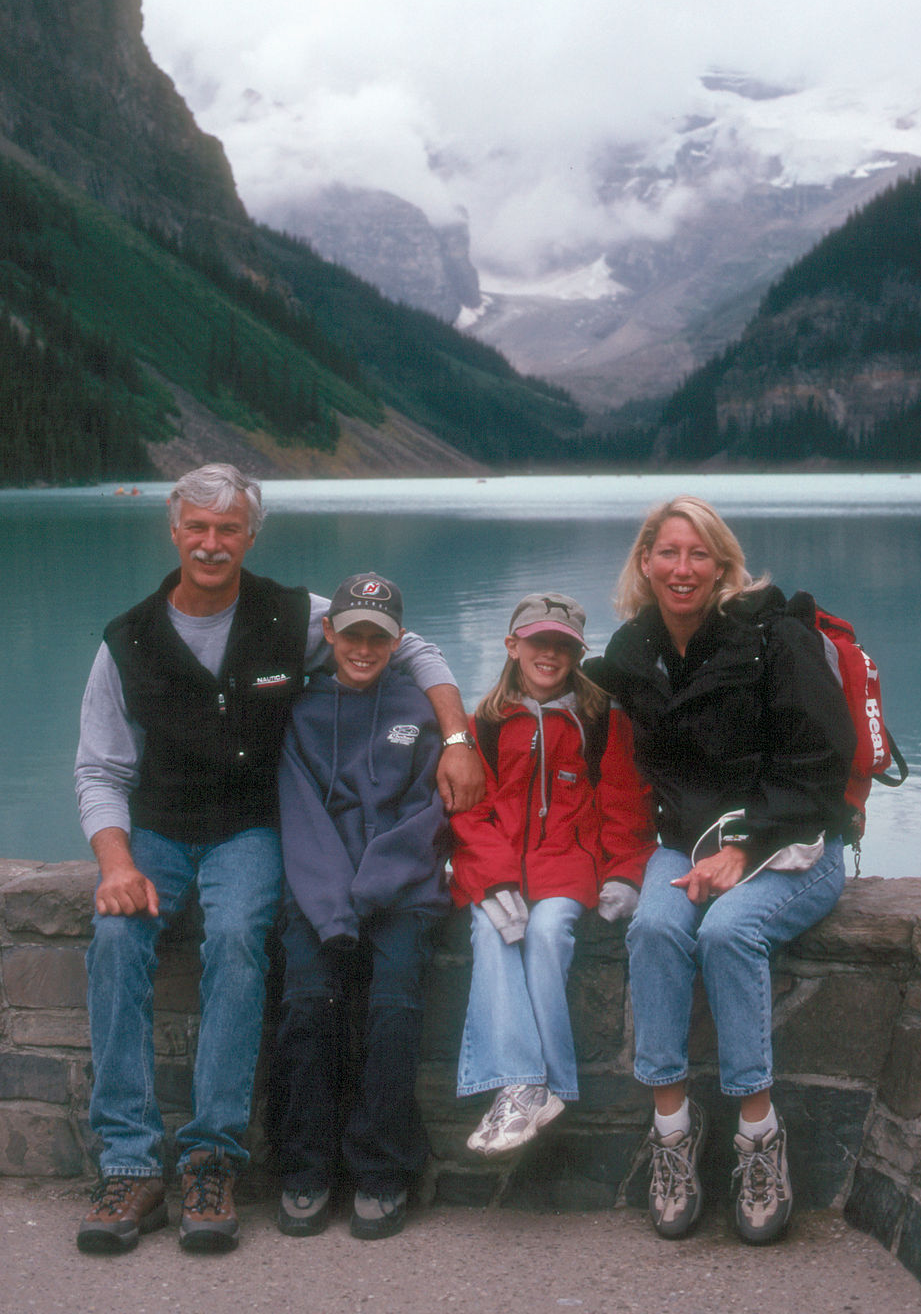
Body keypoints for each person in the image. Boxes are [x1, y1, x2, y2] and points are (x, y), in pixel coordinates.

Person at [74, 464, 483, 1254]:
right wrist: (116, 863)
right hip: (154, 831)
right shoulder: (126, 639)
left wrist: (458, 738)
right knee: (116, 941)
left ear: (251, 537)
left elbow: (412, 644)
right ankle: (129, 1165)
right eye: (197, 526)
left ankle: (210, 1158)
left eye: (229, 529)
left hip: (249, 830)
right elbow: (100, 771)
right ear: (174, 531)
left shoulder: (296, 615)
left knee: (235, 940)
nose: (212, 543)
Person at [584, 496, 855, 1245]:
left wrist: (748, 847)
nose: (682, 568)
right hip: (690, 842)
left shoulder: (775, 639)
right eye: (668, 553)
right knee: (656, 927)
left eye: (699, 554)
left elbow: (821, 764)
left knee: (731, 932)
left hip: (796, 840)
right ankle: (671, 1134)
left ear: (723, 566)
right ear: (645, 563)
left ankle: (758, 1139)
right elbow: (620, 769)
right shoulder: (634, 650)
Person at [271, 572, 449, 1241]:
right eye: (353, 635)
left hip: (401, 892)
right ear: (329, 635)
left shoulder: (422, 711)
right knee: (307, 1003)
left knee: (394, 1007)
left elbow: (426, 813)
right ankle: (305, 1168)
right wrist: (335, 908)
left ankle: (381, 1170)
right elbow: (300, 813)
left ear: (398, 641)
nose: (364, 648)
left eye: (378, 636)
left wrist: (371, 891)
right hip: (319, 892)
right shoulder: (299, 711)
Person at [449, 594, 656, 1156]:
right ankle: (525, 1086)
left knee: (545, 934)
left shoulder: (600, 720)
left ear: (577, 654)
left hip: (569, 871)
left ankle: (542, 1086)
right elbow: (468, 813)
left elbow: (625, 806)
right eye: (538, 642)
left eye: (563, 646)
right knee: (491, 932)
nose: (549, 654)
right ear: (513, 646)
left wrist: (626, 876)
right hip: (500, 873)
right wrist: (491, 882)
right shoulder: (483, 724)